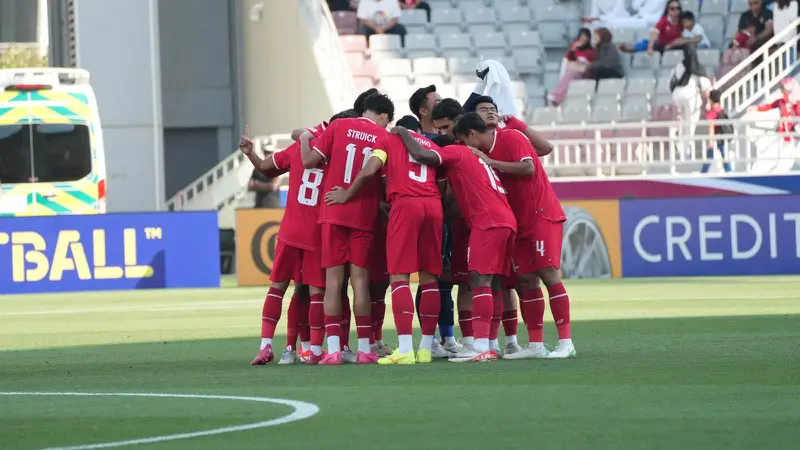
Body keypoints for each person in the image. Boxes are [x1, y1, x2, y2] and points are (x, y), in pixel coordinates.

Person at [401, 113, 518, 363]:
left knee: (479, 280)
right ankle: (490, 344)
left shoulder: (458, 152)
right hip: (505, 221)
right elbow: (456, 205)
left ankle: (479, 347)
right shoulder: (478, 161)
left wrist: (402, 133)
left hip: (488, 222)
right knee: (493, 283)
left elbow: (424, 155)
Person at [459, 109, 574, 360]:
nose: (465, 147)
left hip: (541, 214)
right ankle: (535, 345)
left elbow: (528, 168)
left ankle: (566, 341)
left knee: (549, 274)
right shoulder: (481, 155)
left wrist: (491, 162)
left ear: (471, 134)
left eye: (465, 140)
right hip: (518, 222)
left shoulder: (510, 137)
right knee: (525, 280)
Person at [324, 126, 444, 365]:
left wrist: (347, 194)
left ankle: (406, 349)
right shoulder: (430, 145)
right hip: (433, 204)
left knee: (399, 276)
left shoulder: (387, 140)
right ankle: (426, 349)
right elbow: (444, 183)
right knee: (430, 277)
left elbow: (369, 171)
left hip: (405, 203)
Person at [241, 115, 354, 366]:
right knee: (317, 293)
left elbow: (265, 167)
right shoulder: (338, 157)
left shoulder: (299, 149)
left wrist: (250, 153)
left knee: (277, 289)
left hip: (290, 230)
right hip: (318, 233)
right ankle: (315, 350)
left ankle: (266, 346)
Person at [300, 93, 395, 365]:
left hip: (333, 213)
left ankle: (332, 351)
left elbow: (309, 161)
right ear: (385, 116)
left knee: (333, 283)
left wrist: (305, 136)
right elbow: (371, 171)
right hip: (363, 217)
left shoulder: (338, 127)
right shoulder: (383, 137)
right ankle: (364, 349)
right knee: (360, 283)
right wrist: (352, 195)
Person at [748, 78, 800, 172]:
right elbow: (769, 106)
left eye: (783, 88)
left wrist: (795, 104)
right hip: (784, 132)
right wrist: (757, 108)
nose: (781, 90)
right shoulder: (781, 101)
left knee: (790, 155)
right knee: (781, 154)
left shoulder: (797, 102)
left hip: (795, 133)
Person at [670, 44, 712, 155]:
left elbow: (670, 82)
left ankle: (676, 140)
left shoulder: (678, 66)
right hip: (690, 97)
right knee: (690, 123)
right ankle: (685, 150)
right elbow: (706, 87)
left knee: (682, 121)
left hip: (676, 95)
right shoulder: (697, 67)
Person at [549, 28, 596, 106]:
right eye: (581, 36)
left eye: (585, 36)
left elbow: (592, 63)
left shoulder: (591, 51)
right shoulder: (574, 49)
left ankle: (557, 95)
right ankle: (558, 97)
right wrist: (573, 49)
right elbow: (567, 59)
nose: (583, 39)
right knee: (568, 74)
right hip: (573, 69)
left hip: (583, 72)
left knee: (570, 74)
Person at [620, 0, 684, 54]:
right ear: (668, 10)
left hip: (677, 45)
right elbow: (655, 33)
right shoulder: (663, 20)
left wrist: (672, 44)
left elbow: (686, 37)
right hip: (662, 45)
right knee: (648, 42)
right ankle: (634, 48)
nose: (675, 11)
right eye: (672, 9)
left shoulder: (683, 21)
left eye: (677, 8)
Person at [703, 90, 734, 174]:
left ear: (710, 99)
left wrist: (710, 140)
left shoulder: (712, 111)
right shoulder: (721, 109)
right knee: (724, 153)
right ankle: (728, 170)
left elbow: (711, 126)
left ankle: (704, 172)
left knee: (711, 154)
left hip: (717, 135)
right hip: (723, 134)